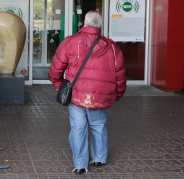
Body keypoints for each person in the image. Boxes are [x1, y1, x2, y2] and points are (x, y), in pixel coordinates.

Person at [48, 11, 126, 174]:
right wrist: (118, 94)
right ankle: (99, 158)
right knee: (98, 125)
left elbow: (57, 66)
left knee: (78, 128)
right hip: (100, 95)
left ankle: (80, 165)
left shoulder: (71, 41)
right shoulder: (112, 47)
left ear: (84, 22)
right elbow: (120, 73)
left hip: (76, 94)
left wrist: (56, 83)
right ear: (100, 25)